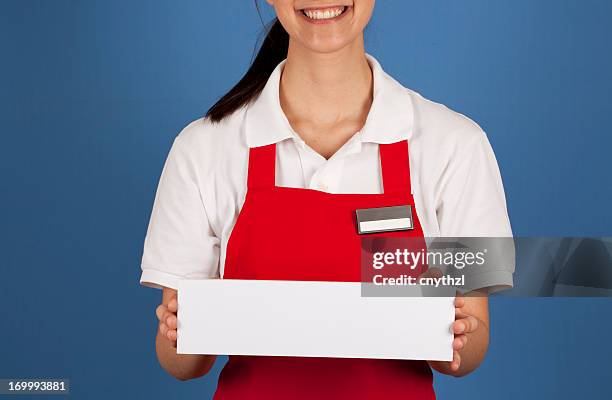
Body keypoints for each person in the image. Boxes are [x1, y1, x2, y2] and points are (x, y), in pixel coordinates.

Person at [140, 1, 513, 398]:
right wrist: (182, 332)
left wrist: (453, 337)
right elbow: (179, 362)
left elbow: (473, 340)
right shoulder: (202, 148)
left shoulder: (458, 146)